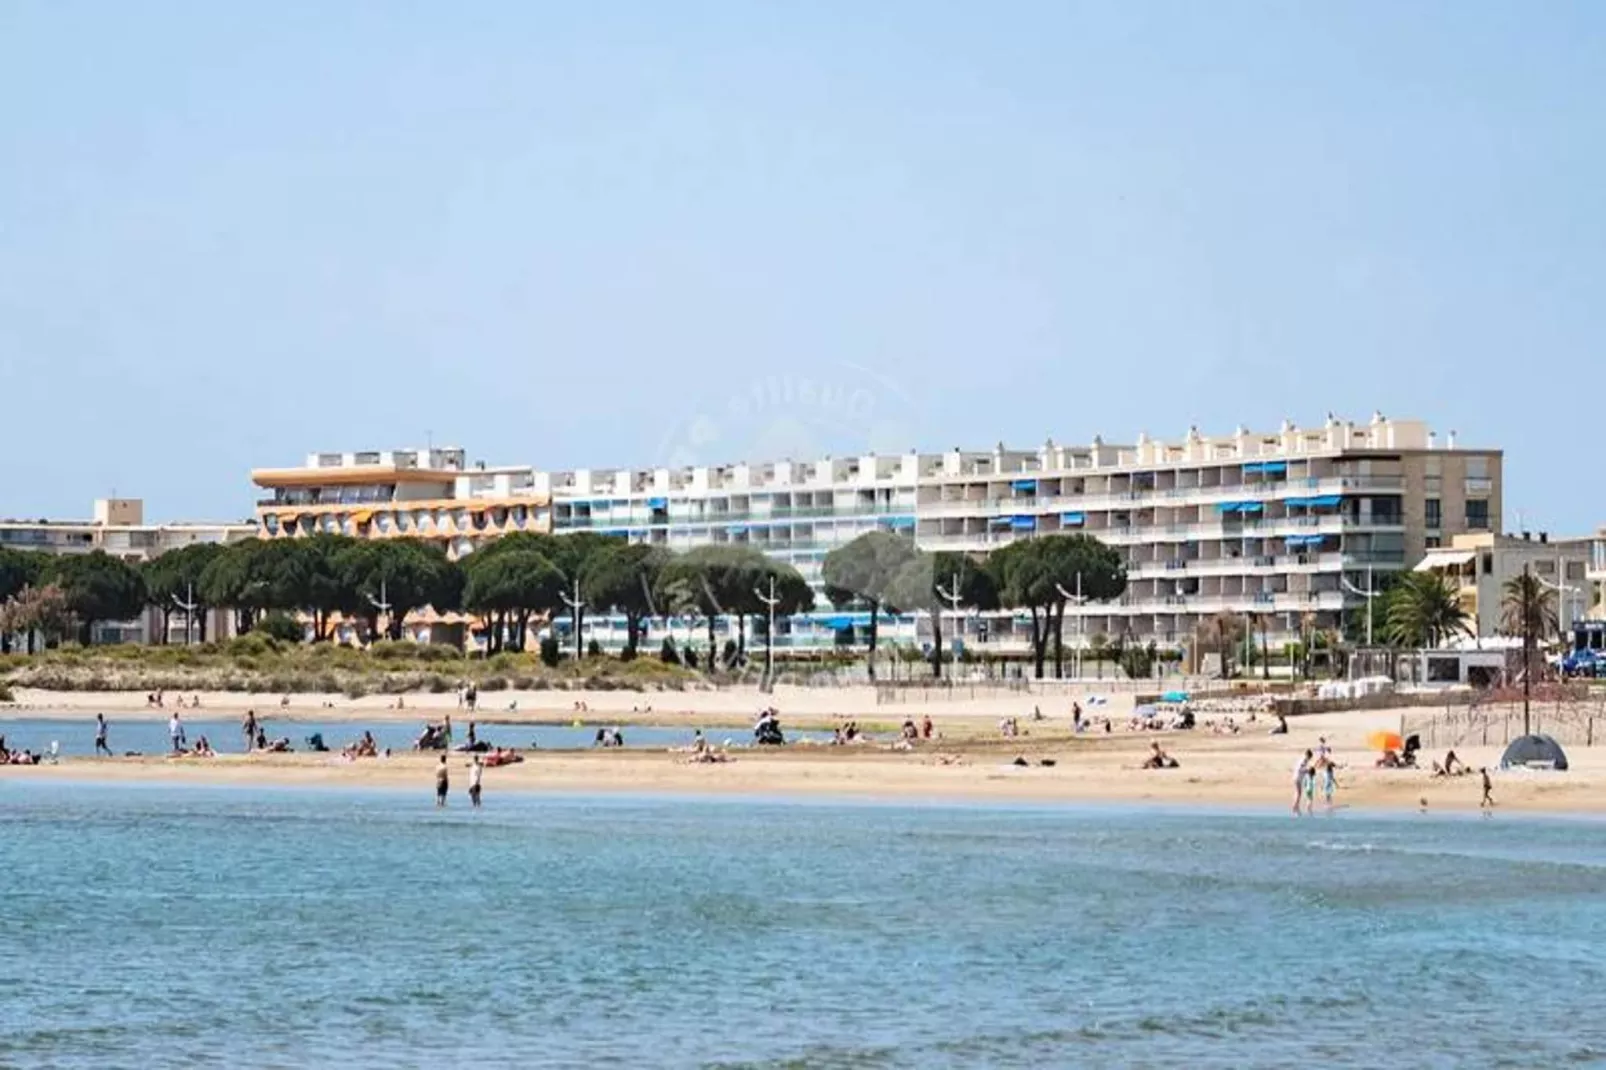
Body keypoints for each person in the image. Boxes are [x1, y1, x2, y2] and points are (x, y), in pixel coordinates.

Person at [1293, 750, 1314, 815]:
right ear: (1308, 755)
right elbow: (1300, 769)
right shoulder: (1304, 760)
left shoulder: (1303, 760)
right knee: (1299, 793)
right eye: (1310, 757)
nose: (1310, 759)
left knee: (1298, 793)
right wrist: (1307, 770)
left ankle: (1296, 806)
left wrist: (1306, 770)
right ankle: (1295, 806)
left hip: (1297, 777)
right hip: (1297, 778)